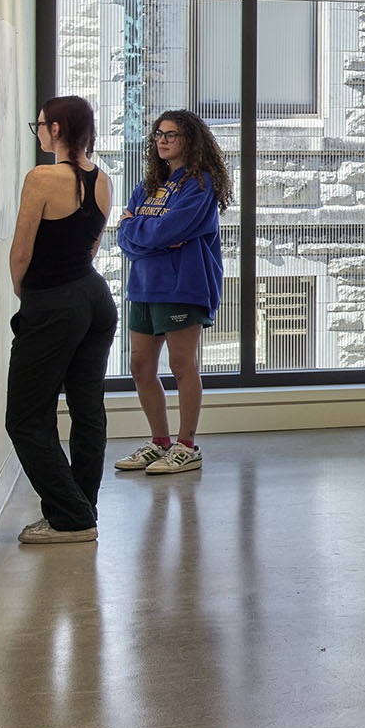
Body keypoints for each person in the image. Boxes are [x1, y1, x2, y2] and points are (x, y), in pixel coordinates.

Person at [5, 94, 116, 547]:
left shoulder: (42, 178)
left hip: (54, 302)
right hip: (95, 299)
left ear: (56, 130)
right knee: (87, 410)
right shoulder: (103, 180)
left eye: (41, 125)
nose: (40, 132)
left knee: (26, 417)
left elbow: (22, 253)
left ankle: (69, 517)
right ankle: (82, 509)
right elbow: (90, 249)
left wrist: (26, 294)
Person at [114, 108, 229, 476]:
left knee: (181, 366)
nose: (162, 140)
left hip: (182, 286)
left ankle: (186, 446)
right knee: (140, 365)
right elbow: (125, 238)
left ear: (189, 140)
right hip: (144, 286)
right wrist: (151, 234)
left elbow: (165, 231)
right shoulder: (147, 187)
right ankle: (159, 442)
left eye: (171, 134)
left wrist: (146, 231)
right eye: (158, 134)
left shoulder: (200, 186)